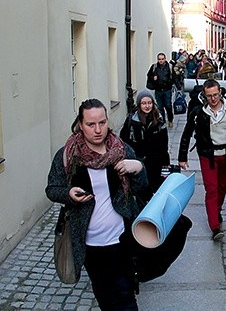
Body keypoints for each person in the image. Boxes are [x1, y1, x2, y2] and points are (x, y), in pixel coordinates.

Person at [45, 99, 148, 310]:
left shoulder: (121, 149)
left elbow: (141, 188)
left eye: (102, 122)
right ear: (80, 125)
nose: (98, 130)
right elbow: (52, 189)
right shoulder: (68, 155)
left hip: (120, 239)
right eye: (91, 124)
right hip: (90, 244)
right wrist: (68, 194)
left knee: (126, 296)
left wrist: (138, 168)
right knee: (104, 296)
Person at [177, 79, 226, 241]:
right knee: (211, 189)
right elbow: (187, 133)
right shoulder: (198, 112)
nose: (213, 98)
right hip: (208, 156)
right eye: (209, 96)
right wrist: (183, 157)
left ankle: (216, 210)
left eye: (215, 95)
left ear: (221, 93)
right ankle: (215, 226)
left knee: (222, 187)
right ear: (204, 95)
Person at [119, 89, 170, 197]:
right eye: (144, 103)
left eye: (149, 103)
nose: (147, 106)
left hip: (155, 165)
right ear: (139, 105)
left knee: (154, 194)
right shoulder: (132, 121)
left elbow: (164, 148)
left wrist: (165, 170)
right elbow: (124, 142)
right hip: (137, 164)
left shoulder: (159, 121)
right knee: (140, 195)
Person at [146, 52, 174, 128]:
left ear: (165, 59)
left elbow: (174, 77)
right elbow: (149, 75)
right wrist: (153, 78)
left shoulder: (169, 67)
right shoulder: (154, 67)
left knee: (168, 105)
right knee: (160, 107)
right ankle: (163, 121)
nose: (161, 61)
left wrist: (176, 86)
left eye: (162, 59)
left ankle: (170, 119)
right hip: (158, 90)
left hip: (167, 89)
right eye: (159, 59)